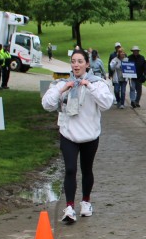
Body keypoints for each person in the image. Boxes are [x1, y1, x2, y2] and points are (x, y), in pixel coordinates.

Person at [42, 48, 114, 224]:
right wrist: (62, 90)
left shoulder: (97, 83)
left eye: (80, 61)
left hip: (90, 135)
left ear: (87, 64)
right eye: (73, 61)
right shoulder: (62, 83)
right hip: (68, 134)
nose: (76, 65)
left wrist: (89, 86)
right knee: (70, 169)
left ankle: (86, 202)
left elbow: (106, 104)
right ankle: (69, 207)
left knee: (87, 169)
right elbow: (47, 104)